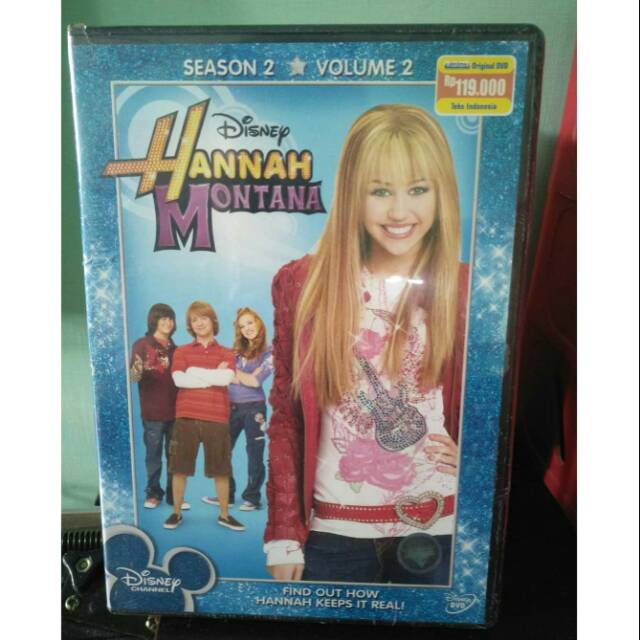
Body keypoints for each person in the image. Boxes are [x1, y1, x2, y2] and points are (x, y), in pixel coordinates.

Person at [264, 104, 469, 584]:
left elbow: (492, 405)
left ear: (441, 193)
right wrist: (283, 533)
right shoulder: (302, 283)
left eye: (417, 189)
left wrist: (477, 459)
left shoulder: (463, 289)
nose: (399, 211)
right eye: (380, 191)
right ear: (352, 194)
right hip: (334, 532)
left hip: (439, 526)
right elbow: (286, 416)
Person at [164, 301, 245, 532]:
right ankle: (176, 512)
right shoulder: (182, 351)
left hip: (217, 417)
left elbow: (226, 378)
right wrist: (212, 376)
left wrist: (194, 372)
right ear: (190, 325)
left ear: (213, 320)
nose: (199, 323)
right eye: (194, 320)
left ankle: (224, 515)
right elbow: (179, 380)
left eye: (203, 318)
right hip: (186, 416)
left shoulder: (226, 352)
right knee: (179, 468)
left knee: (222, 469)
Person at [203, 308, 273, 511]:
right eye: (242, 326)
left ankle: (252, 497)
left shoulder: (269, 353)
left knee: (254, 452)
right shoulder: (235, 352)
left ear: (258, 322)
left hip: (254, 408)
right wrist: (238, 375)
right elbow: (222, 376)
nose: (247, 328)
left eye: (250, 323)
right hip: (231, 406)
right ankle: (227, 494)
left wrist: (233, 372)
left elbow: (254, 381)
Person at [130, 303, 189, 511]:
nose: (168, 323)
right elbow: (133, 377)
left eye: (171, 319)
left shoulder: (177, 350)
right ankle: (153, 493)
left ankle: (175, 496)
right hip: (152, 413)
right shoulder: (142, 344)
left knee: (175, 456)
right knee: (153, 456)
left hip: (176, 412)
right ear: (153, 321)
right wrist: (139, 369)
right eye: (163, 318)